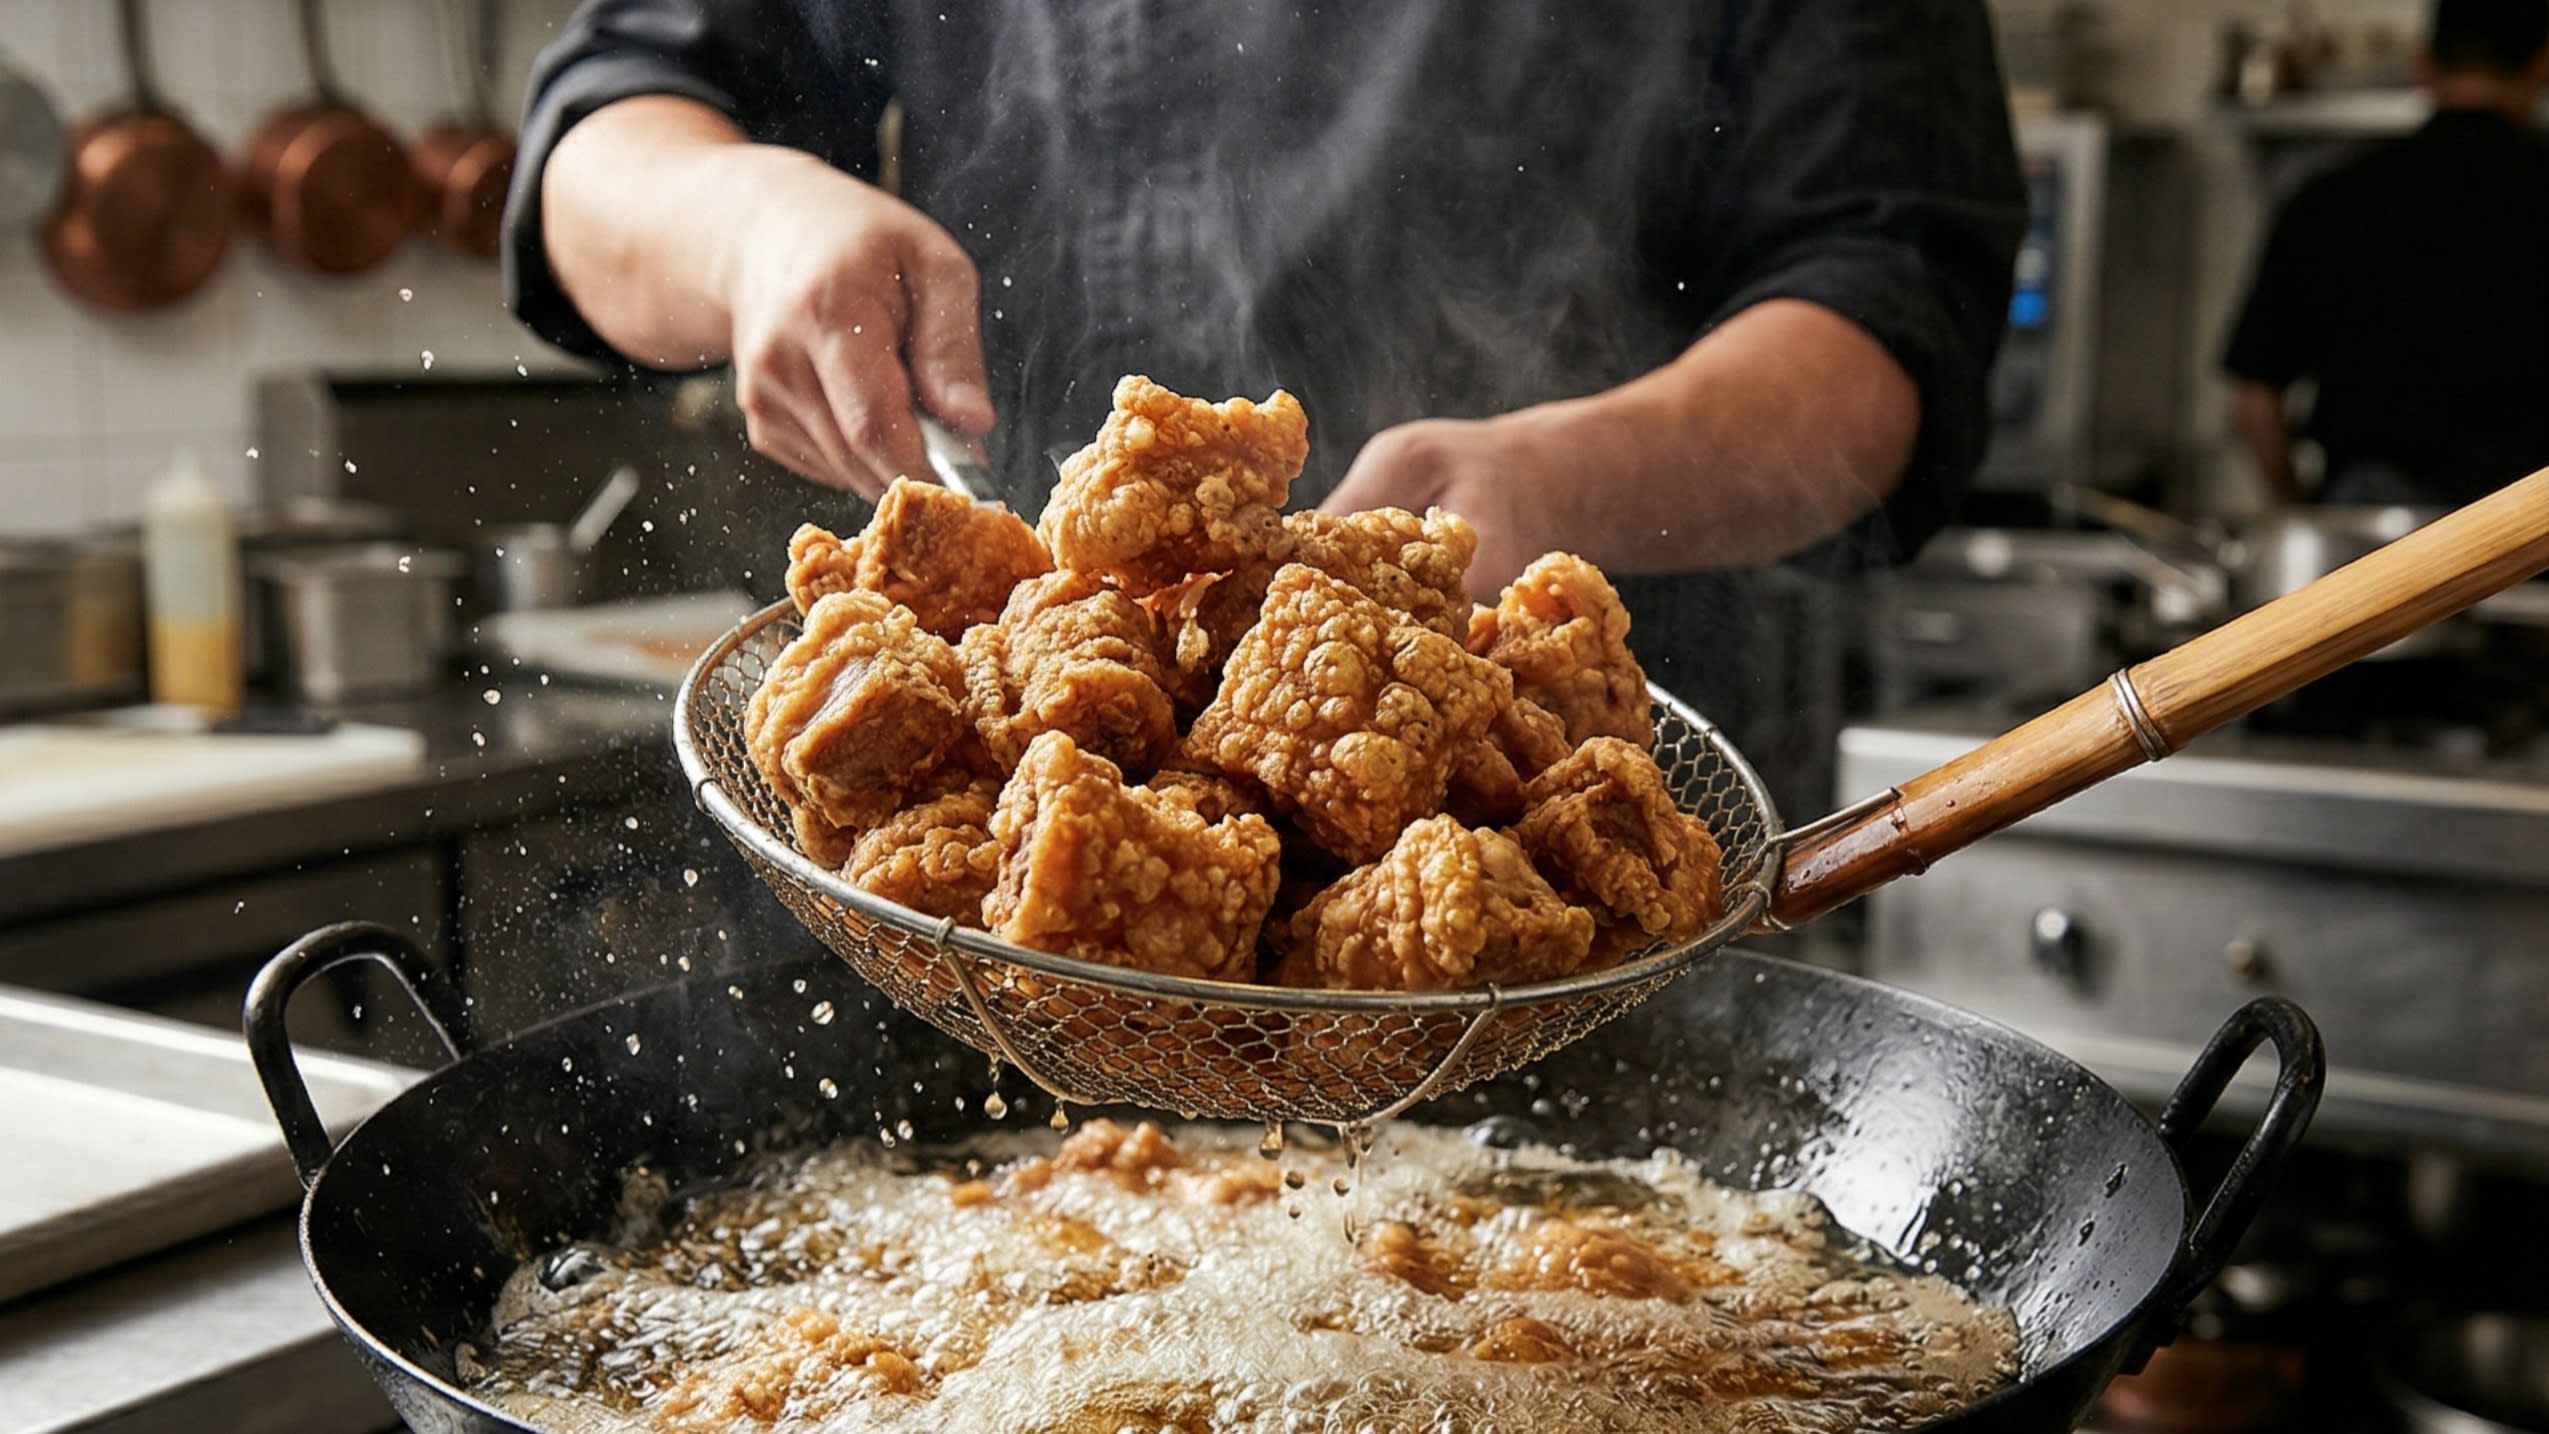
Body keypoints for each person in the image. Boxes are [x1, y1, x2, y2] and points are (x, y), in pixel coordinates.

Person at [503, 1, 2023, 805]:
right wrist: (756, 226)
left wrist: (1552, 489)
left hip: (1567, 875)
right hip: (1029, 894)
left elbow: (1894, 302)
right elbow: (598, 145)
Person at [2225, 0, 2549, 509]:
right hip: (2528, 537)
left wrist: (2299, 510)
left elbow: (2254, 405)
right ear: (2543, 65)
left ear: (2422, 65)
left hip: (2370, 534)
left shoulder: (2332, 197)